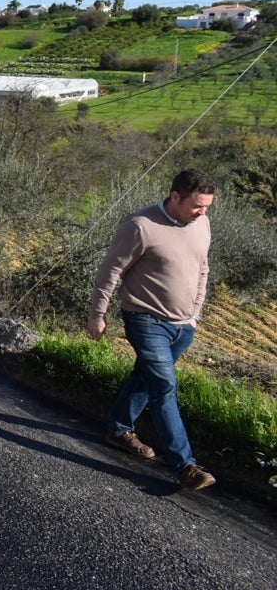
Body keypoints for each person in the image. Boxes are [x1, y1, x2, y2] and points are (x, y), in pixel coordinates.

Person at [88, 169, 217, 491]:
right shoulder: (140, 226)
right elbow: (110, 270)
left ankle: (119, 430)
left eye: (206, 207)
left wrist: (194, 315)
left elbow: (203, 267)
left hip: (183, 325)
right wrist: (97, 314)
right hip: (145, 319)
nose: (202, 213)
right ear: (175, 196)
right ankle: (185, 466)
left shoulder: (200, 223)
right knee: (163, 387)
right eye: (197, 206)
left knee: (145, 377)